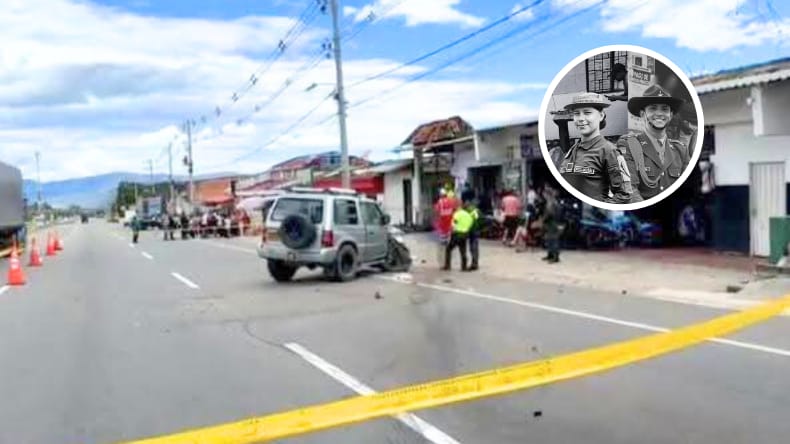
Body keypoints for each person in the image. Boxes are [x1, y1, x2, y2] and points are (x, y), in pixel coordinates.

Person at [617, 84, 690, 202]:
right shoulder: (628, 145)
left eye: (665, 109)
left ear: (670, 115)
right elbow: (629, 189)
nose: (659, 113)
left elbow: (688, 189)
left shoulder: (680, 150)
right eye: (653, 108)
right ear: (642, 114)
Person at [558, 92, 633, 203]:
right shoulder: (572, 150)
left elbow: (624, 195)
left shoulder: (609, 151)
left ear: (601, 115)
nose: (580, 118)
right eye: (576, 113)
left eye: (587, 113)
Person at [443, 204, 474, 271]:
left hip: (457, 234)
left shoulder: (457, 214)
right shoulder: (469, 216)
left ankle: (447, 266)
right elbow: (470, 225)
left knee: (448, 249)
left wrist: (451, 232)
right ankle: (464, 267)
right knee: (463, 251)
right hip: (465, 234)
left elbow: (453, 224)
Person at [434, 188, 458, 267]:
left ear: (440, 195)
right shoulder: (451, 202)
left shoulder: (439, 203)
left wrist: (436, 225)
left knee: (441, 247)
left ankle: (442, 264)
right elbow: (455, 210)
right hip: (450, 228)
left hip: (442, 228)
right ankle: (448, 263)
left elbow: (436, 213)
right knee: (449, 247)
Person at [541, 186, 561, 263]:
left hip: (552, 223)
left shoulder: (551, 202)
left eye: (544, 194)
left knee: (553, 240)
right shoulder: (551, 201)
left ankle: (555, 257)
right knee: (549, 239)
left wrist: (543, 219)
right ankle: (550, 255)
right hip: (551, 222)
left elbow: (550, 213)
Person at [465, 197, 481, 271]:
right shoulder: (477, 210)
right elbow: (480, 220)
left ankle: (474, 263)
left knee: (472, 247)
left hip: (471, 230)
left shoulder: (467, 211)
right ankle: (475, 262)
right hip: (476, 231)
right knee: (475, 247)